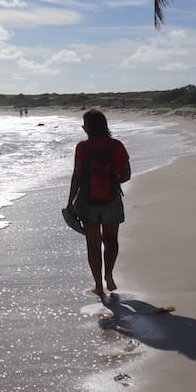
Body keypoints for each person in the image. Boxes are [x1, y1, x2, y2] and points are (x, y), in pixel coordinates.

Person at [66, 110, 131, 300]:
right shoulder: (117, 146)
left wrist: (70, 201)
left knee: (93, 245)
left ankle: (98, 286)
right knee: (111, 240)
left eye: (84, 124)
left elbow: (77, 175)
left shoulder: (82, 147)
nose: (83, 127)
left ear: (88, 127)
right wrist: (110, 181)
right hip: (111, 199)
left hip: (87, 200)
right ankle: (109, 276)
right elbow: (126, 175)